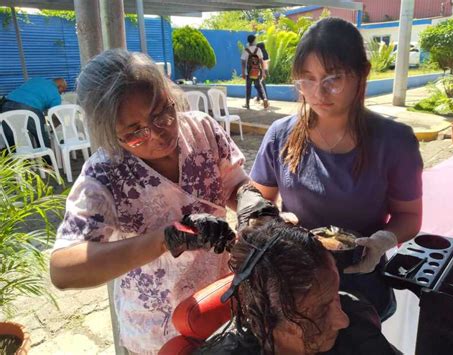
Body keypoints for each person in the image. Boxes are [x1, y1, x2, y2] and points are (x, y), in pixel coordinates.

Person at [49, 48, 248, 353]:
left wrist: (254, 205)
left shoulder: (202, 130)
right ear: (112, 136)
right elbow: (63, 269)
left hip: (218, 302)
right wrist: (164, 240)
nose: (158, 134)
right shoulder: (104, 174)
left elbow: (234, 183)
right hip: (157, 330)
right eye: (135, 133)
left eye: (162, 114)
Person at [248, 17, 423, 321]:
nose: (318, 92)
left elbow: (409, 216)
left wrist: (384, 240)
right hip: (294, 283)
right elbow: (256, 201)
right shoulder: (280, 134)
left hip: (361, 284)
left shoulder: (395, 141)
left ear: (362, 73)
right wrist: (269, 219)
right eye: (307, 79)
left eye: (333, 78)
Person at [197, 221, 401, 354]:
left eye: (336, 298)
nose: (342, 320)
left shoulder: (356, 315)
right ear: (267, 320)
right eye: (320, 311)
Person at [1, 77, 67, 149]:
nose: (61, 93)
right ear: (60, 87)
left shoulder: (36, 79)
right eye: (62, 91)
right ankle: (47, 159)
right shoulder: (56, 95)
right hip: (29, 109)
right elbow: (55, 115)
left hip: (6, 105)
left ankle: (15, 158)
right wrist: (52, 127)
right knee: (42, 136)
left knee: (12, 137)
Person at [241, 34, 268, 110]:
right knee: (258, 86)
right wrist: (263, 72)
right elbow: (261, 61)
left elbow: (243, 62)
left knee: (248, 88)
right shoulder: (258, 50)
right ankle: (264, 99)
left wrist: (243, 72)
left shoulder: (246, 50)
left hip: (248, 73)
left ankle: (247, 104)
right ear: (253, 40)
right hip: (257, 72)